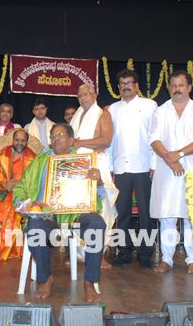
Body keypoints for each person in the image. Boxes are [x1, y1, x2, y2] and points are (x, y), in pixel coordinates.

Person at [13, 123, 106, 302]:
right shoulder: (40, 161)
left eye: (61, 135)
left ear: (71, 140)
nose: (56, 138)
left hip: (75, 213)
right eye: (53, 136)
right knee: (34, 227)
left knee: (97, 224)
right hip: (47, 214)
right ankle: (45, 277)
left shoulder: (83, 162)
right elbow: (21, 188)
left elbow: (98, 196)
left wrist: (99, 182)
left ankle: (89, 281)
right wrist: (26, 204)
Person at [150, 70, 193, 274]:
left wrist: (179, 154)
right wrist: (170, 158)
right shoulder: (161, 111)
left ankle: (192, 259)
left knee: (191, 215)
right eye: (173, 85)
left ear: (189, 87)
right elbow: (154, 139)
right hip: (167, 170)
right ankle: (166, 259)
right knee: (167, 215)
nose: (177, 89)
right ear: (169, 88)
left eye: (181, 85)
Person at [107, 69, 157, 268]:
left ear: (136, 85)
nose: (126, 86)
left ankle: (145, 253)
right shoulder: (112, 109)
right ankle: (124, 251)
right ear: (118, 87)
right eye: (122, 83)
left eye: (129, 83)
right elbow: (110, 141)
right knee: (122, 213)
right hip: (121, 167)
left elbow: (155, 136)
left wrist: (154, 164)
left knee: (146, 213)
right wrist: (110, 167)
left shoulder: (149, 105)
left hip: (144, 165)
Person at [70, 84, 118, 267]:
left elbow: (106, 141)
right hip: (78, 167)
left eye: (87, 94)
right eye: (80, 95)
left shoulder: (102, 114)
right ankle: (80, 253)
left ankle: (100, 254)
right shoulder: (77, 115)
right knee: (78, 209)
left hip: (97, 165)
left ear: (95, 95)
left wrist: (79, 142)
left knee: (101, 209)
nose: (83, 98)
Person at [0, 129, 38, 260]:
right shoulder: (3, 154)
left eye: (23, 140)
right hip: (2, 189)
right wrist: (4, 184)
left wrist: (19, 185)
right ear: (12, 140)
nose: (19, 143)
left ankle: (12, 249)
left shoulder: (32, 158)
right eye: (17, 140)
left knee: (12, 205)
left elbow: (35, 180)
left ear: (27, 142)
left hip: (24, 192)